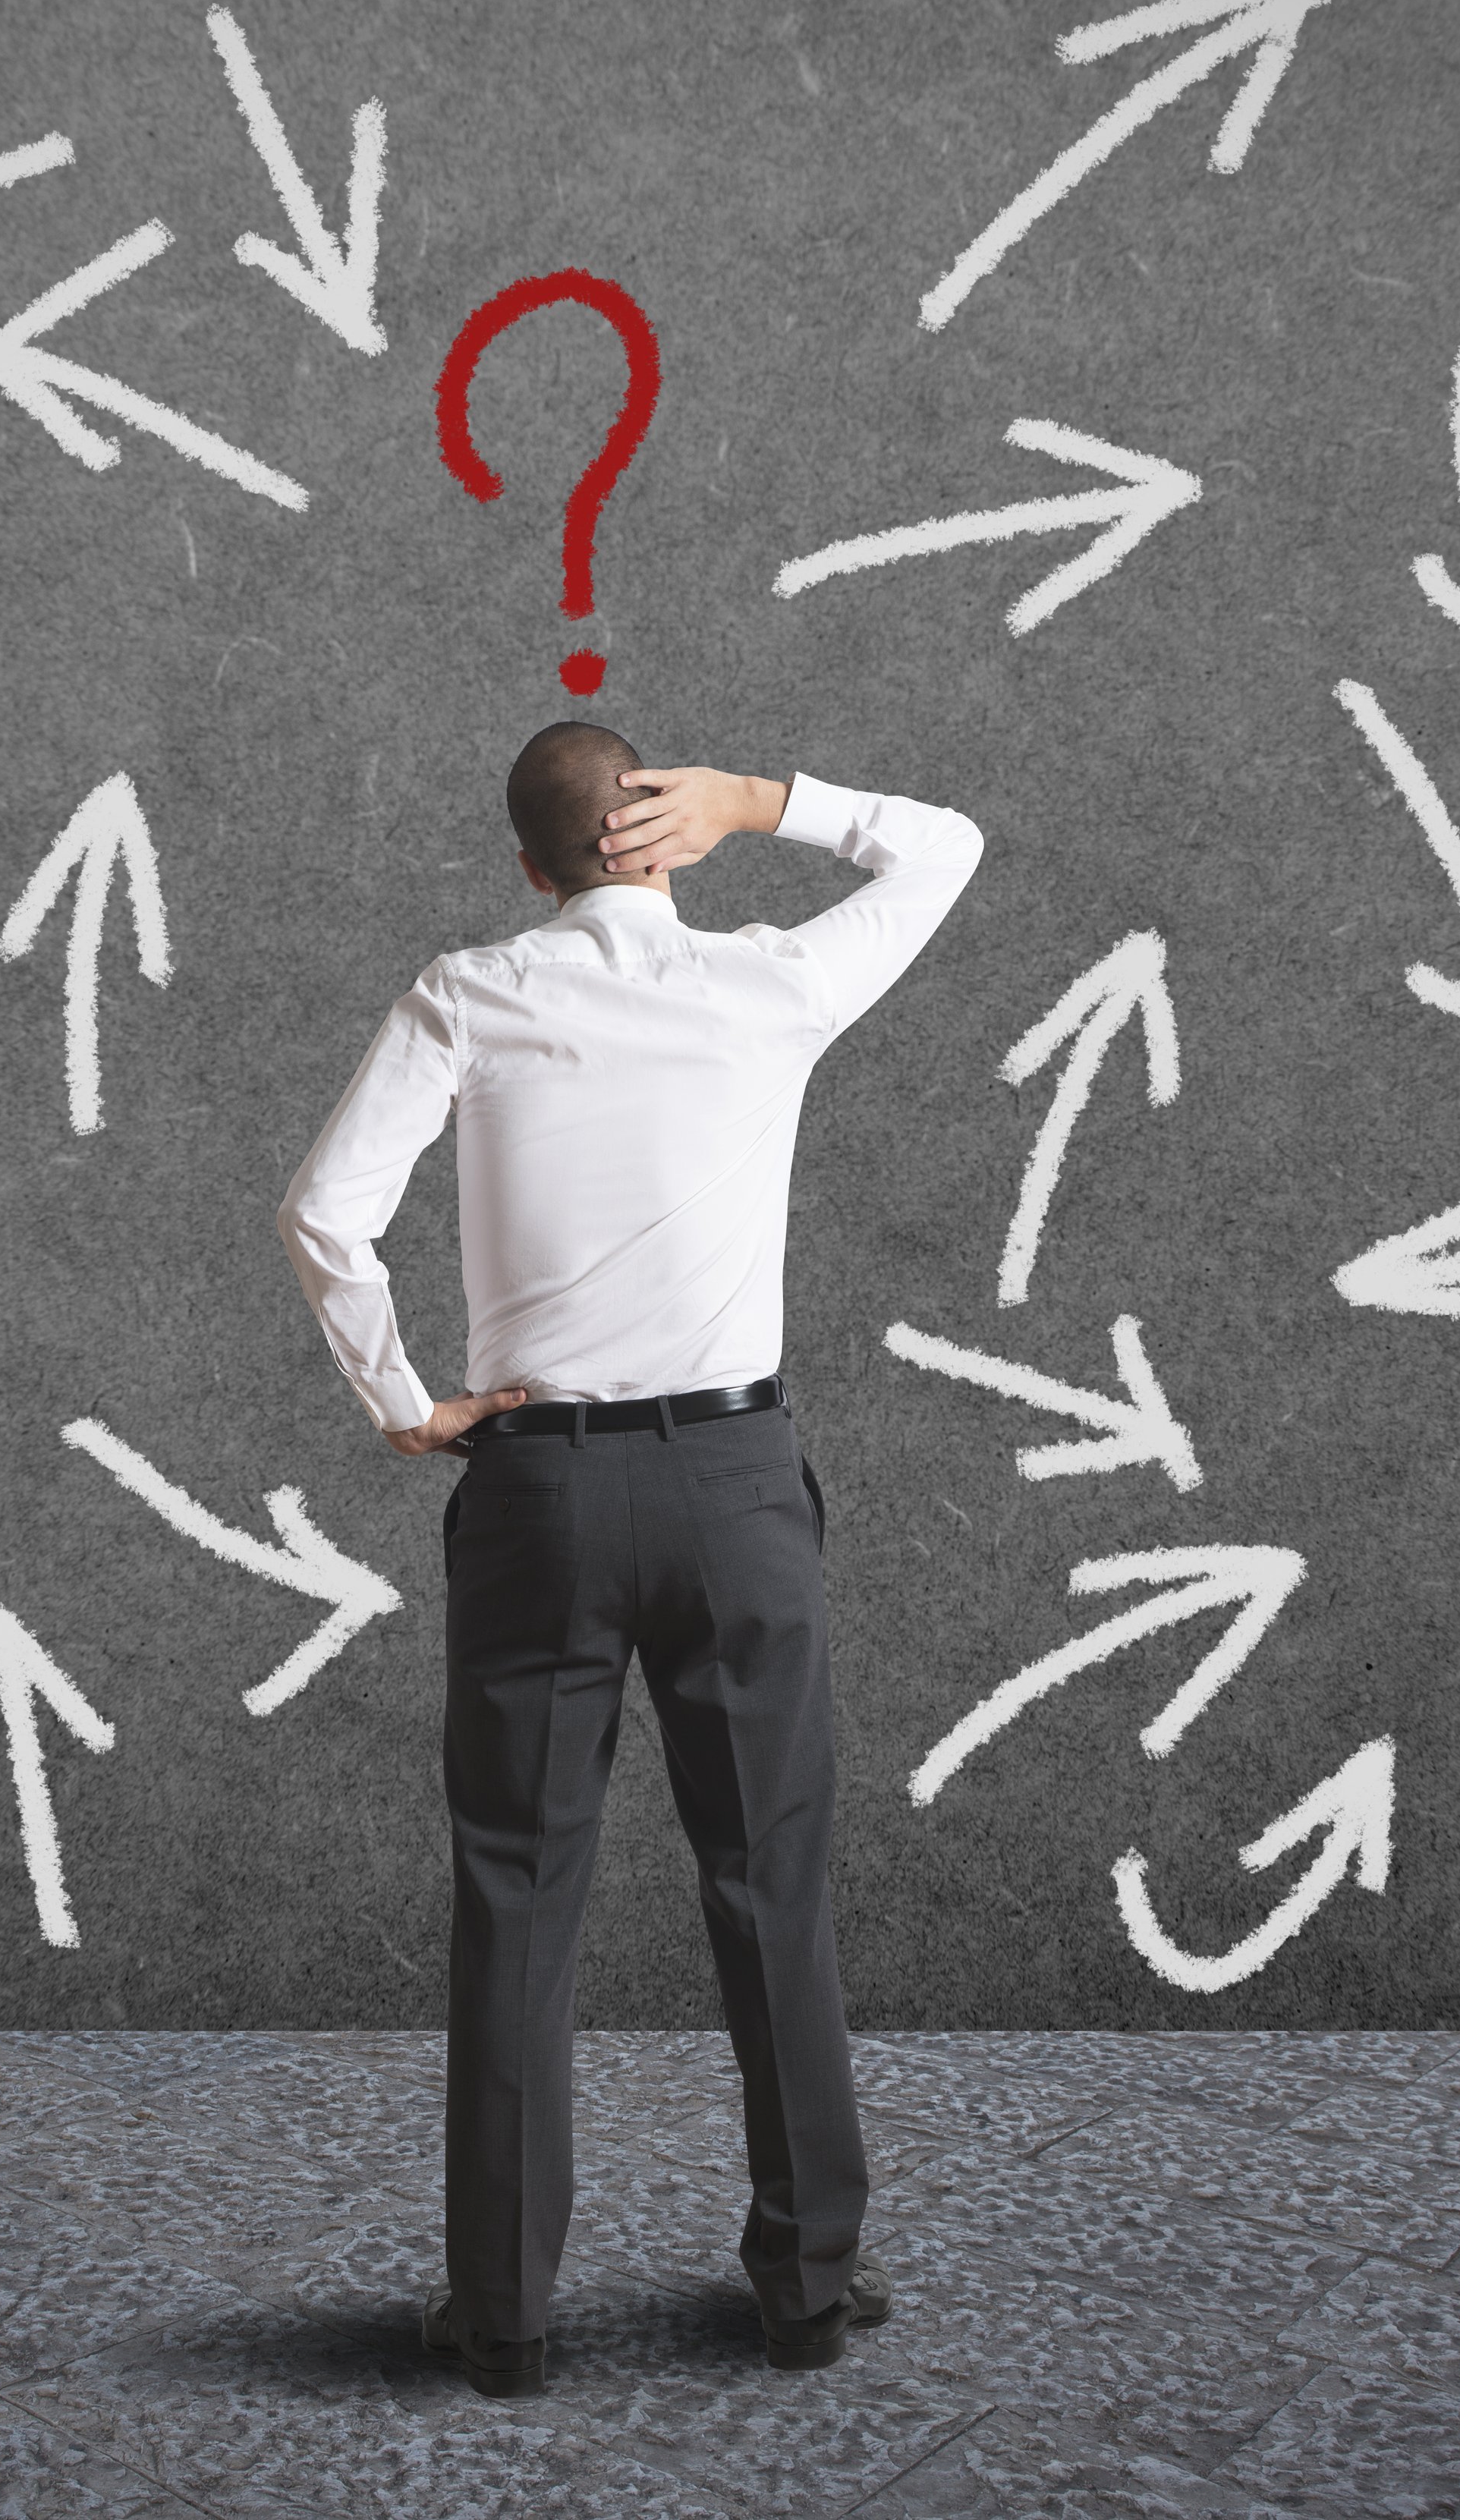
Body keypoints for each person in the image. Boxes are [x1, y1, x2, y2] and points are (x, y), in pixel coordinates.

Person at [276, 721, 983, 2396]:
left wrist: (405, 1405)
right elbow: (945, 844)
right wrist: (762, 801)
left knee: (517, 1892)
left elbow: (324, 1211)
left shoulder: (470, 994)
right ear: (663, 840)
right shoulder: (771, 983)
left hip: (538, 1489)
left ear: (530, 867)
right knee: (772, 1878)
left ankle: (505, 2317)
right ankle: (808, 2286)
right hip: (737, 1487)